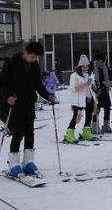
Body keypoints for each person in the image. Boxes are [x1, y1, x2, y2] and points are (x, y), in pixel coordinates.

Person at [0, 42, 54, 178]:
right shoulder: (11, 64)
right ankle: (13, 164)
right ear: (26, 52)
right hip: (15, 103)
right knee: (18, 132)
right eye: (32, 56)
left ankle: (28, 161)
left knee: (30, 131)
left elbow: (38, 84)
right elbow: (2, 84)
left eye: (36, 57)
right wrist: (7, 97)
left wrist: (48, 95)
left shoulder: (34, 65)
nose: (34, 59)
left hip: (29, 102)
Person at [65, 55, 97, 143]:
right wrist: (84, 84)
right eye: (84, 65)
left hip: (89, 98)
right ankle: (69, 133)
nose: (86, 67)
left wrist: (94, 86)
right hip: (78, 100)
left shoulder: (91, 75)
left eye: (87, 65)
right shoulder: (74, 75)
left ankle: (86, 131)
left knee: (89, 115)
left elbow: (92, 87)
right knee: (76, 116)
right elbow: (73, 88)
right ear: (80, 66)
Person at [92, 52, 112, 133]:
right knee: (97, 109)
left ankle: (106, 126)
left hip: (105, 90)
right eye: (102, 60)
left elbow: (109, 76)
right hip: (97, 92)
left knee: (107, 107)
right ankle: (94, 127)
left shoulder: (105, 67)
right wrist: (101, 83)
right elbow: (92, 79)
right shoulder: (93, 66)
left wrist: (109, 82)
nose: (103, 62)